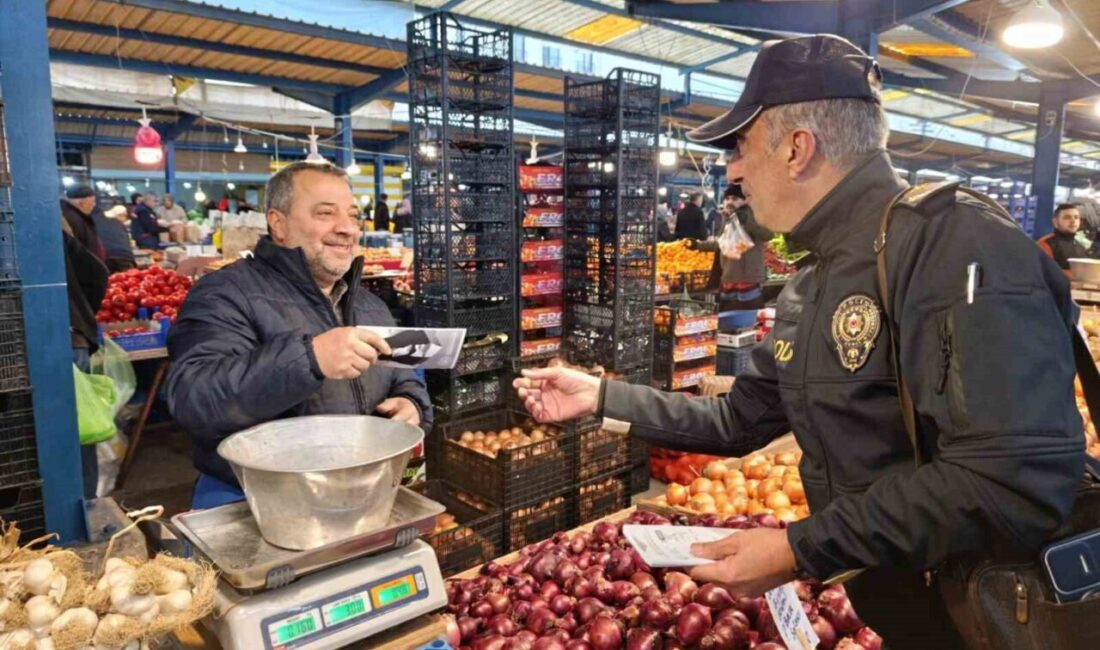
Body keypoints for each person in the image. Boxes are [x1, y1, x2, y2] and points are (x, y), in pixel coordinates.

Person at [513, 35, 1084, 648]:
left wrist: (797, 547)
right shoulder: (815, 279)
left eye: (740, 146)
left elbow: (1010, 480)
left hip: (993, 618)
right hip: (908, 613)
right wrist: (599, 397)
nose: (732, 170)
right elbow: (738, 420)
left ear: (796, 148)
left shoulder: (955, 244)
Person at [165, 161, 432, 509]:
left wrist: (412, 404)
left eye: (353, 216)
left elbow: (403, 377)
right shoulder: (225, 293)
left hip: (359, 496)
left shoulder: (370, 306)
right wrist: (309, 358)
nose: (347, 228)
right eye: (325, 213)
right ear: (279, 223)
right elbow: (194, 398)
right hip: (255, 504)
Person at [60, 215, 109, 499]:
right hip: (71, 337)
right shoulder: (48, 222)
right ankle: (85, 508)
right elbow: (96, 273)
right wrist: (81, 314)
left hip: (59, 343)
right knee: (79, 431)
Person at [694, 184, 773, 308]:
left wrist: (747, 221)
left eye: (735, 199)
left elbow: (768, 235)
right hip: (728, 278)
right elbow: (722, 244)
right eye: (727, 198)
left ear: (745, 200)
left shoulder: (754, 215)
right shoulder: (728, 218)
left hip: (747, 279)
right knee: (728, 322)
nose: (730, 202)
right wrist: (698, 245)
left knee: (748, 323)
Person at [1037, 202, 1093, 277]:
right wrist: (1077, 275)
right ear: (1055, 221)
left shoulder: (1081, 245)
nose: (1073, 221)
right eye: (1067, 217)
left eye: (1076, 217)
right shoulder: (1045, 244)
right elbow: (1046, 272)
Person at [60, 185, 106, 262]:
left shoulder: (75, 215)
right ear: (81, 203)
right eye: (92, 202)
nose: (94, 205)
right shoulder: (74, 219)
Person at [94, 205, 136, 272]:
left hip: (107, 256)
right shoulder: (117, 223)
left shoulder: (90, 221)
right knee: (129, 279)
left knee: (110, 280)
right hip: (126, 256)